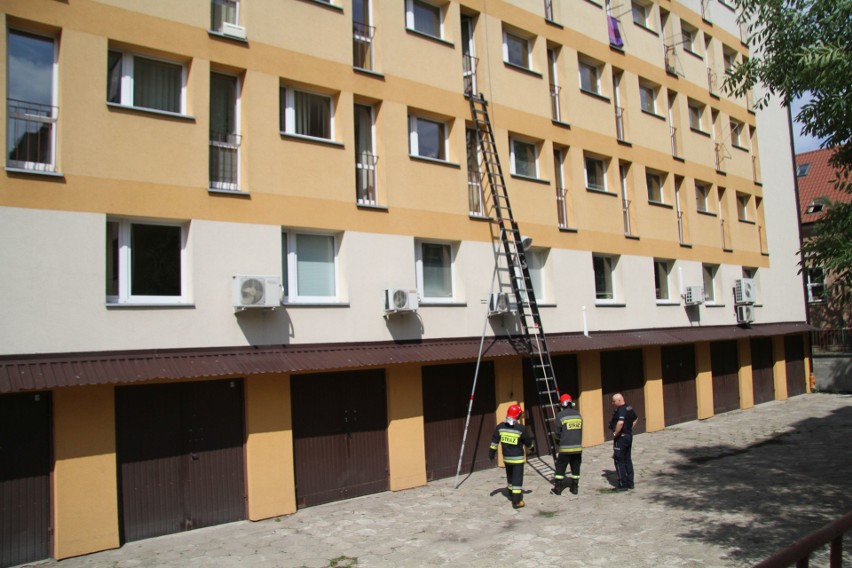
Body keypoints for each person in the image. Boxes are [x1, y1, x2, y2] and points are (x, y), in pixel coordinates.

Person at [490, 403, 535, 509]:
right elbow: (528, 442)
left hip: (507, 459)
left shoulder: (500, 427)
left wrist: (491, 453)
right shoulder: (520, 429)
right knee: (517, 480)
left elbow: (494, 442)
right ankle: (517, 501)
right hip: (517, 460)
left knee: (510, 476)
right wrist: (531, 448)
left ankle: (510, 492)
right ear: (517, 416)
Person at [551, 393, 583, 495]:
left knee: (560, 468)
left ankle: (558, 488)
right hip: (577, 448)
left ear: (562, 404)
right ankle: (575, 488)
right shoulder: (578, 415)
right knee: (575, 468)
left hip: (565, 448)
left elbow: (557, 433)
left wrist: (557, 441)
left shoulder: (560, 416)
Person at [609, 393, 639, 491]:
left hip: (621, 438)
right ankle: (630, 483)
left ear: (619, 400)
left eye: (614, 401)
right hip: (628, 436)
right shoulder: (628, 407)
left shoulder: (621, 409)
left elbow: (620, 422)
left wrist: (616, 433)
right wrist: (629, 429)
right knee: (627, 459)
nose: (613, 403)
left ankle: (623, 484)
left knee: (619, 460)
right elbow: (636, 418)